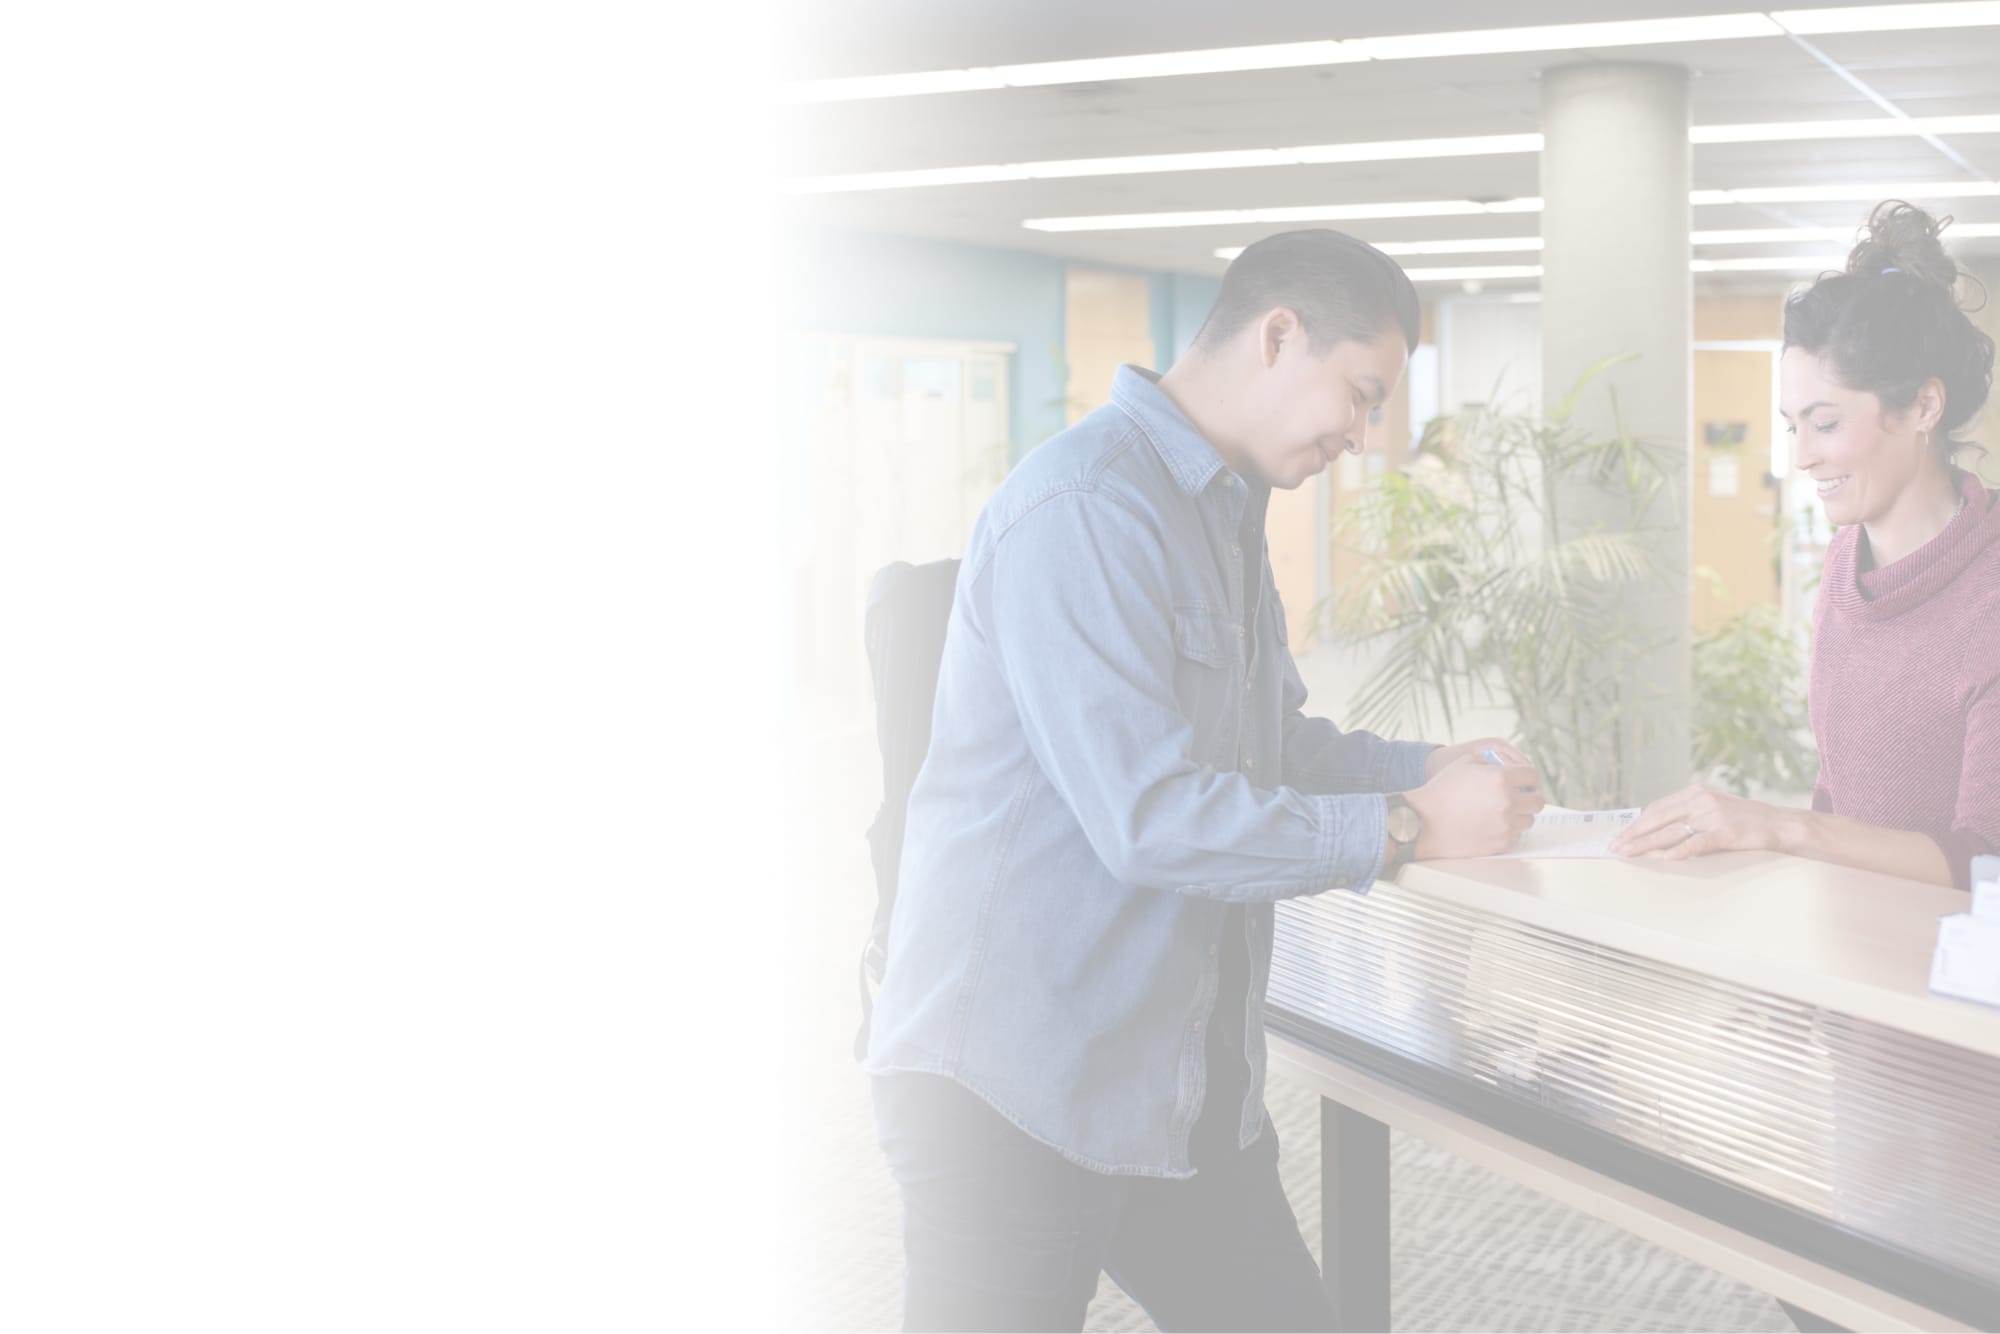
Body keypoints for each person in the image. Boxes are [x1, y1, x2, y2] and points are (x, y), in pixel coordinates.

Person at [861, 228, 1545, 1332]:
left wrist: (1434, 766)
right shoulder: (1084, 508)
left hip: (1169, 1090)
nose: (1362, 438)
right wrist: (1410, 823)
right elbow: (1150, 820)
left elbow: (1271, 745)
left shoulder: (1220, 513)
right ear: (1277, 336)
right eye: (1358, 395)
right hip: (1008, 1083)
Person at [1611, 201, 2000, 888]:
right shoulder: (1846, 562)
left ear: (1922, 407)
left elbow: (1986, 863)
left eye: (1826, 423)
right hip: (1849, 953)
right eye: (1793, 427)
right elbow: (1840, 799)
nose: (1803, 458)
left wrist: (1782, 826)